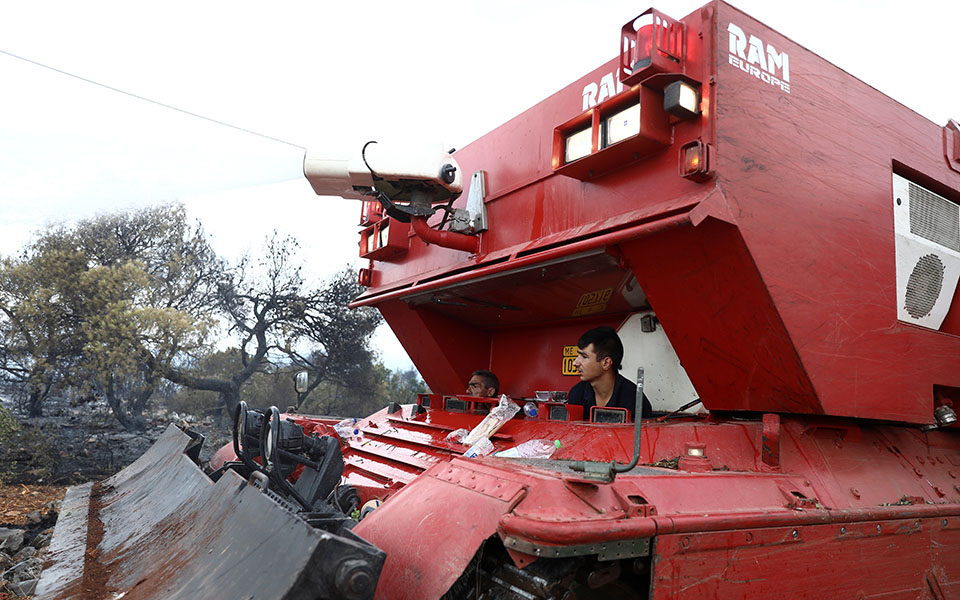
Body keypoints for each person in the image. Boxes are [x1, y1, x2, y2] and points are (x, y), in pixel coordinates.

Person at [568, 326, 652, 419]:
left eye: (584, 356)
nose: (575, 363)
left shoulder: (634, 399)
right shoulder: (577, 393)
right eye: (578, 355)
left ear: (606, 363)